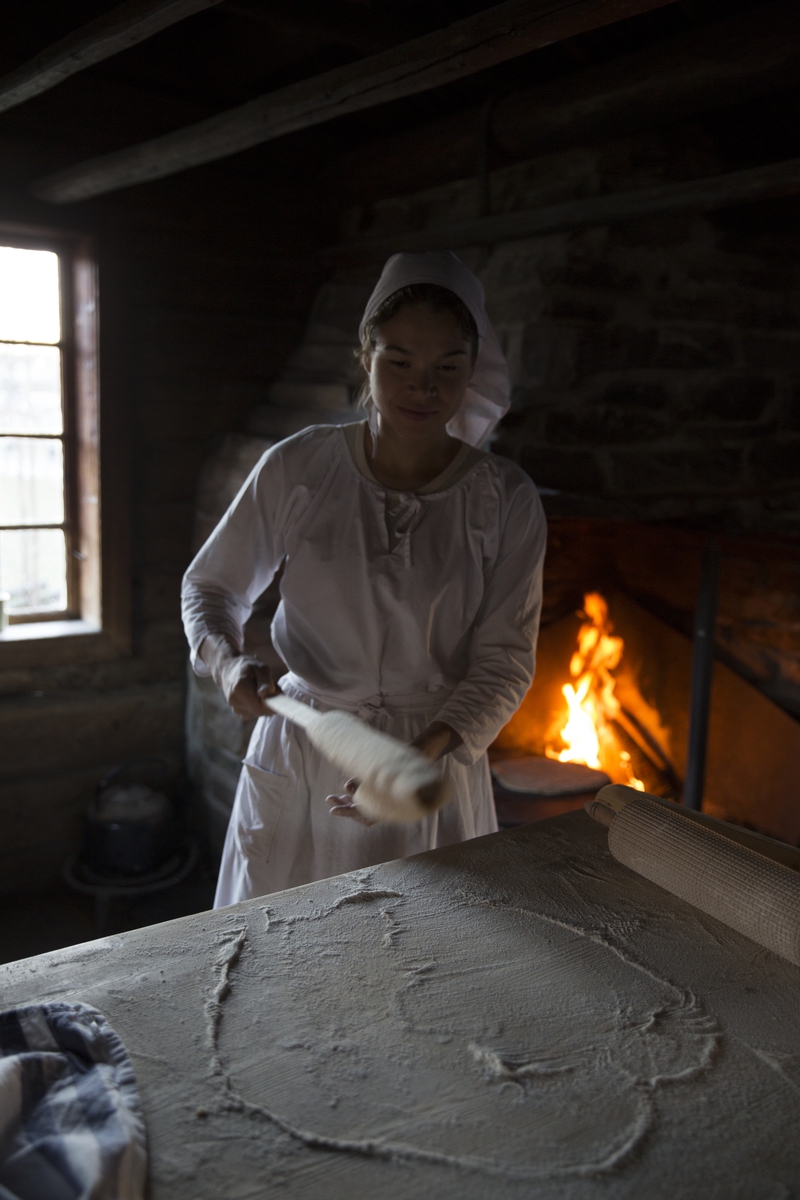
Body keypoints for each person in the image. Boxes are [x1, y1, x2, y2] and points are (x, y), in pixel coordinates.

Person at [181, 251, 547, 907]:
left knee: (424, 968)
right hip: (305, 754)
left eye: (447, 367)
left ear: (474, 367)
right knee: (278, 961)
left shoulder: (504, 500)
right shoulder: (300, 468)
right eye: (398, 361)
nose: (422, 387)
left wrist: (415, 760)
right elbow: (211, 588)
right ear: (365, 357)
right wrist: (227, 661)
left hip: (427, 765)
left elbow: (504, 662)